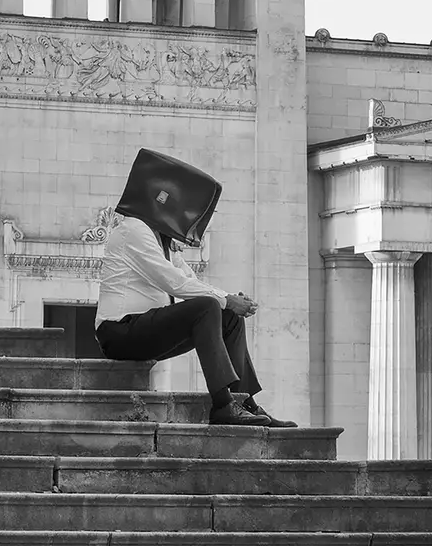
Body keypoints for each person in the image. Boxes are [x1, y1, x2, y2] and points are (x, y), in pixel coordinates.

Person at [93, 149, 297, 428]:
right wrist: (223, 299)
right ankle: (223, 405)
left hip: (145, 330)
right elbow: (173, 283)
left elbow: (191, 280)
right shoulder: (133, 230)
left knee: (228, 316)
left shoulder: (161, 239)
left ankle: (243, 401)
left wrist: (228, 300)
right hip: (120, 332)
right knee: (208, 306)